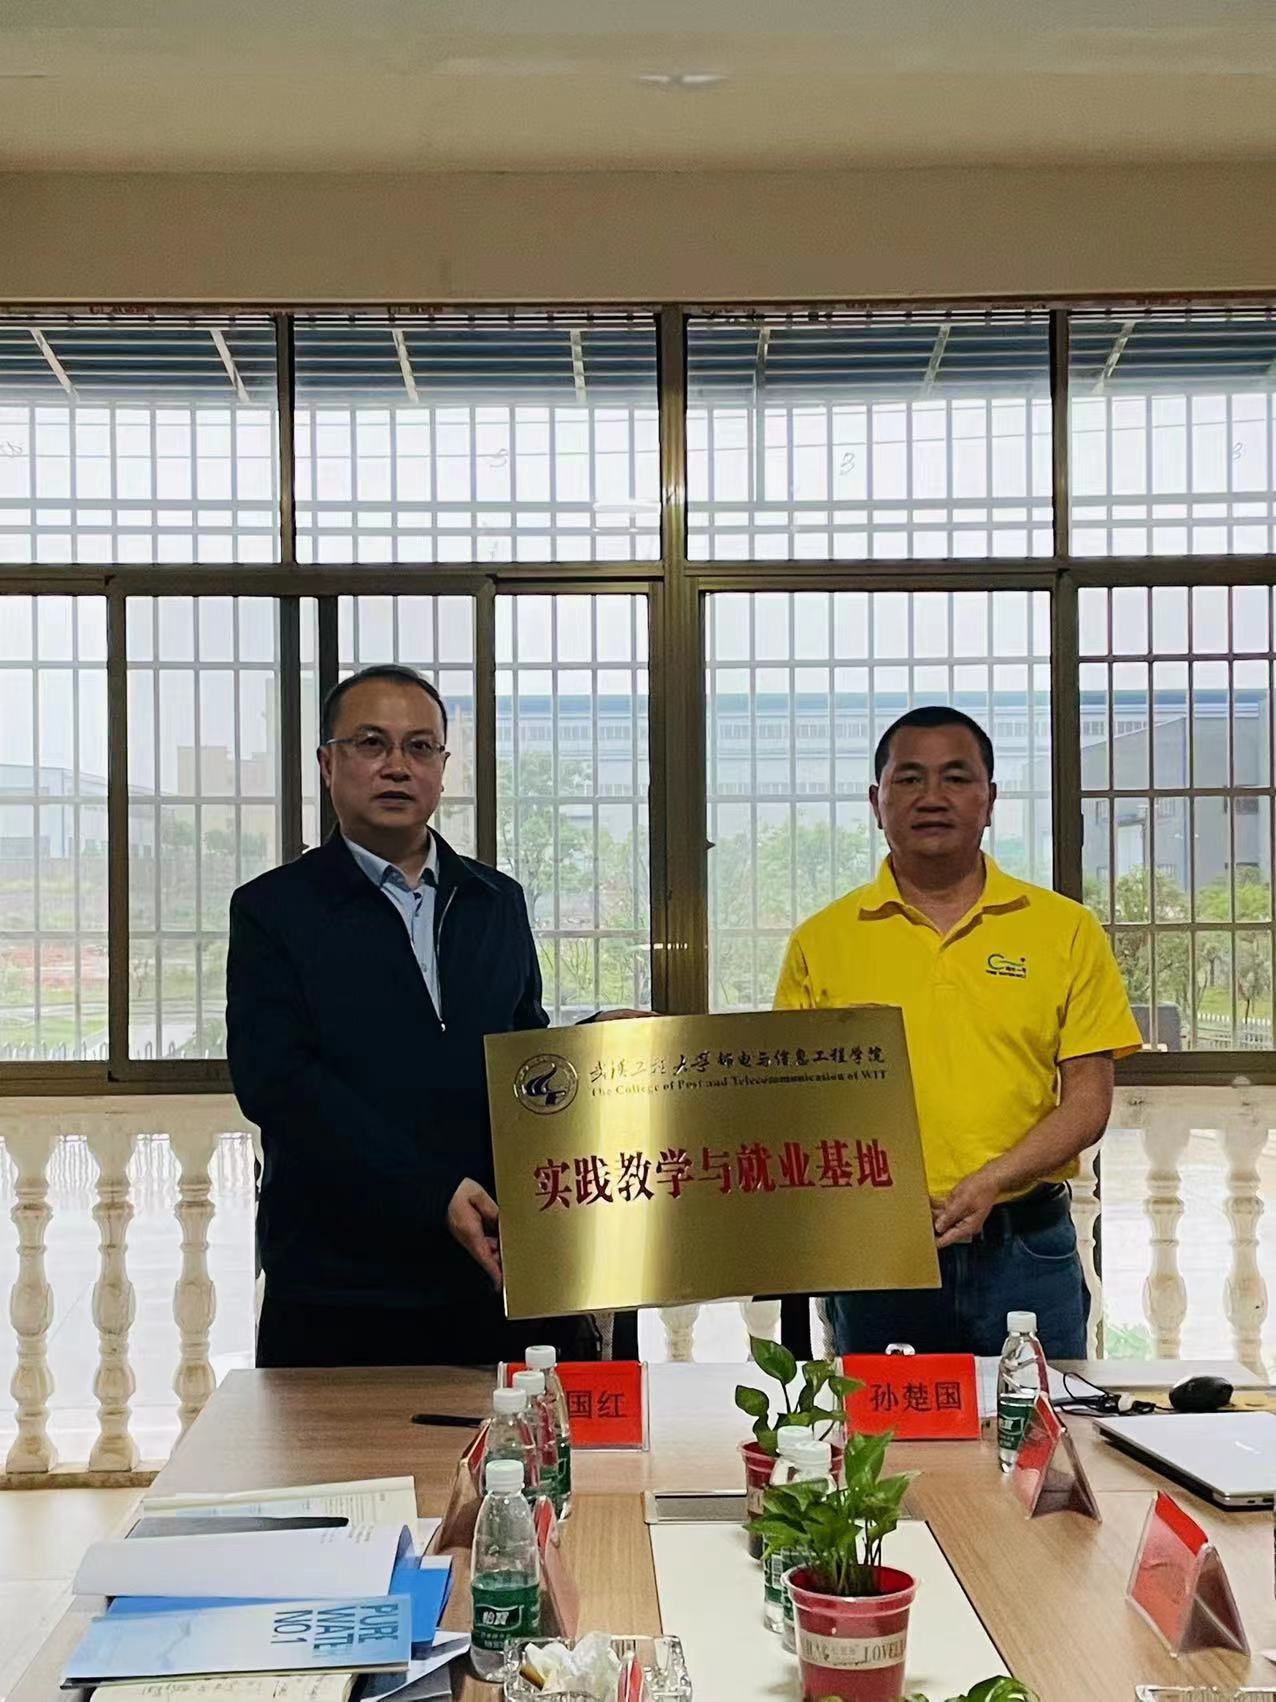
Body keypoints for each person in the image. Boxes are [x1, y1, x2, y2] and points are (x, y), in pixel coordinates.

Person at [227, 663, 628, 1368]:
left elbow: (517, 1055)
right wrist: (430, 1192)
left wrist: (593, 1048)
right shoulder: (274, 909)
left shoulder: (495, 900)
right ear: (328, 764)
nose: (397, 766)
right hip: (337, 1286)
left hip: (487, 1274)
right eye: (371, 743)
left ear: (442, 768)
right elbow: (278, 1083)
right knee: (336, 1448)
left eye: (420, 747)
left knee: (506, 1440)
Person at [774, 705, 1141, 1359]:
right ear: (877, 802)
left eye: (956, 777)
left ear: (989, 800)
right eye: (910, 779)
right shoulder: (821, 942)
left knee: (1037, 1422)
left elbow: (1088, 1100)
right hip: (879, 1253)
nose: (933, 797)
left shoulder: (1064, 930)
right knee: (883, 1426)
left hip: (1027, 1246)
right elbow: (795, 1105)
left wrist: (993, 1178)